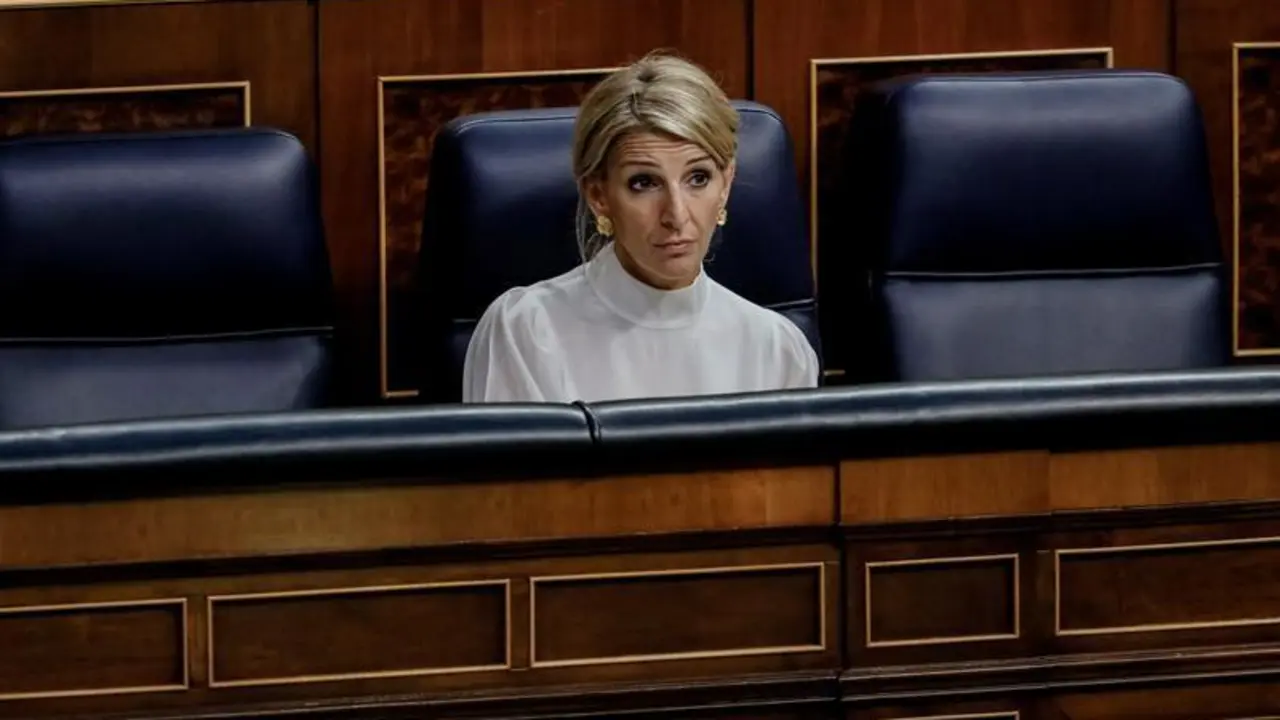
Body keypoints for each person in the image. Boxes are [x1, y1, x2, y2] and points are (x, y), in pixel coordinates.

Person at [462, 51, 820, 403]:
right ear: (598, 195)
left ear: (726, 184)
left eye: (698, 178)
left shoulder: (778, 350)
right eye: (644, 183)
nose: (676, 215)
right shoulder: (526, 331)